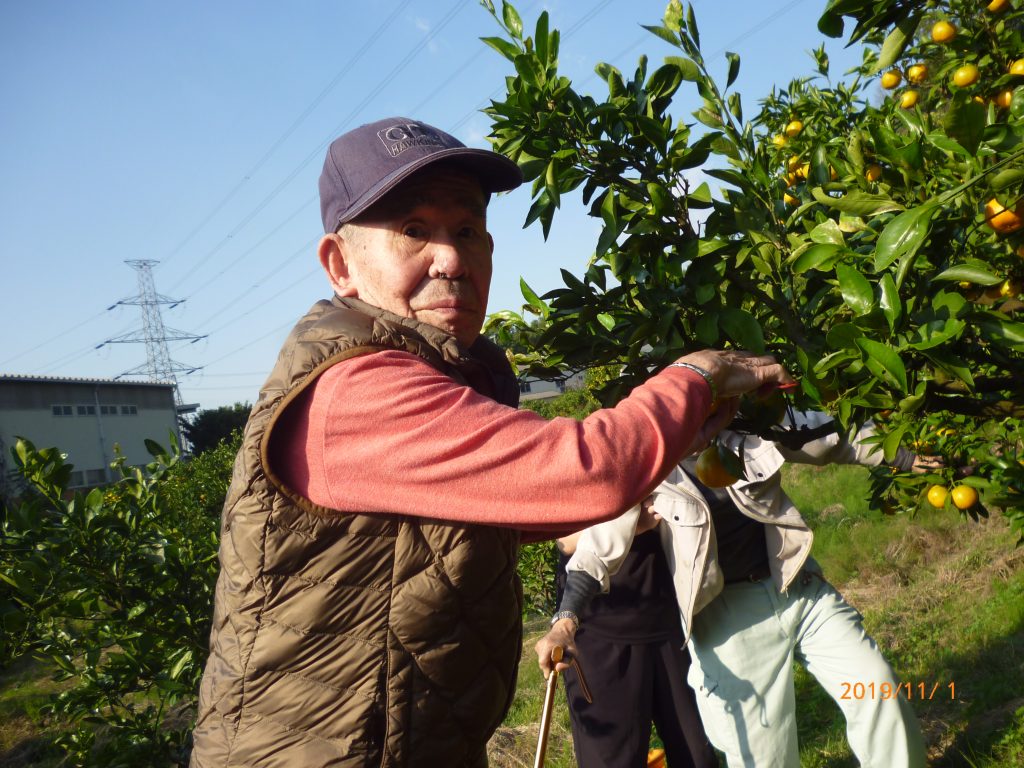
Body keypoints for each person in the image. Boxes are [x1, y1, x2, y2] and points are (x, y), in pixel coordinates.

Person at [189, 116, 794, 768]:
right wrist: (697, 375)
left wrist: (672, 444)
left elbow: (494, 516)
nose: (450, 257)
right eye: (413, 231)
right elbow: (584, 472)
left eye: (468, 231)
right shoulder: (354, 390)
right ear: (340, 264)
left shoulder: (432, 380)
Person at [539, 410, 933, 768]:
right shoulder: (645, 468)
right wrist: (566, 620)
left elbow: (829, 438)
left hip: (797, 588)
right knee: (767, 756)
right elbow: (595, 553)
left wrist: (906, 457)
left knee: (876, 686)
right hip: (731, 617)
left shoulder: (749, 430)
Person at [554, 511, 719, 768]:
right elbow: (564, 539)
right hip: (599, 632)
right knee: (614, 760)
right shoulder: (567, 470)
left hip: (671, 623)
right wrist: (631, 526)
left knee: (699, 756)